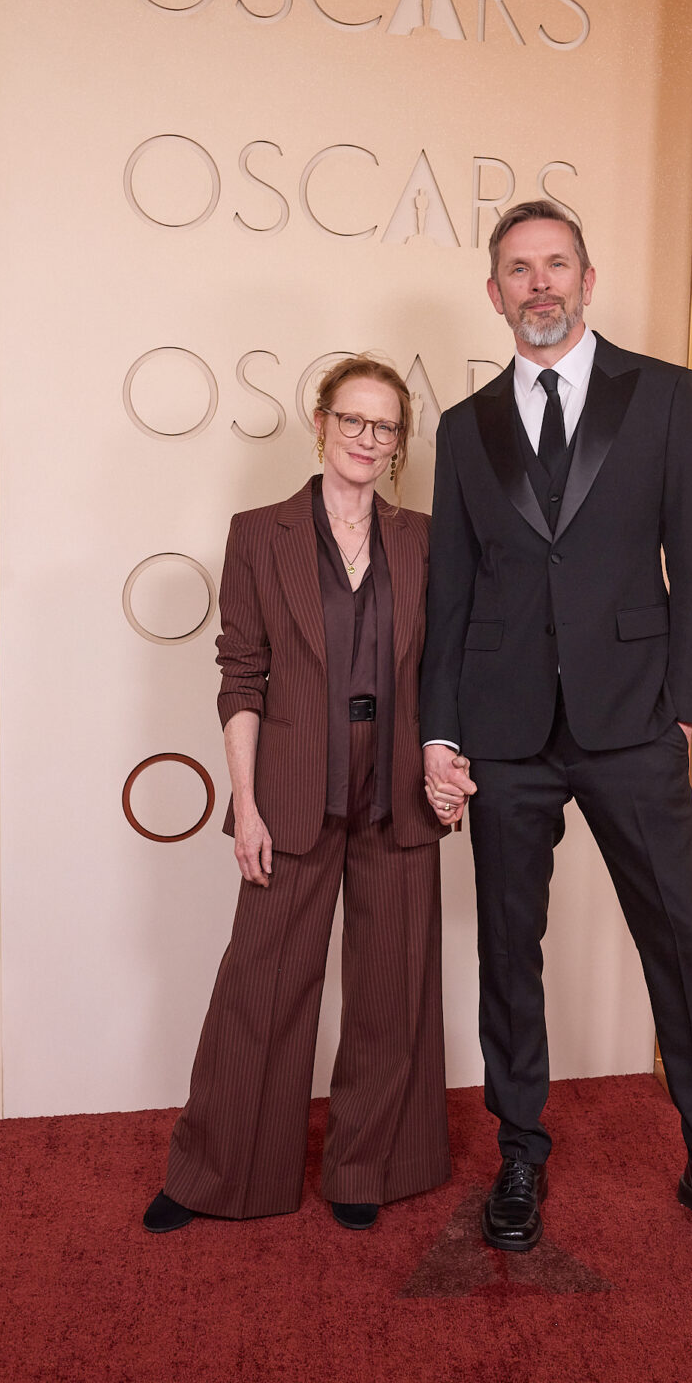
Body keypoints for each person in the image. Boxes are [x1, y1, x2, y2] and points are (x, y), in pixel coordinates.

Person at [420, 201, 692, 1258]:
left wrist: (686, 705)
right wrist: (441, 731)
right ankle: (519, 1154)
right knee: (506, 953)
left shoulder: (663, 394)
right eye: (517, 268)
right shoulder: (463, 427)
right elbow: (449, 595)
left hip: (632, 720)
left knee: (681, 945)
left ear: (587, 278)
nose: (538, 283)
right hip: (503, 731)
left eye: (555, 264)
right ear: (494, 293)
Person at [144, 356, 450, 1235]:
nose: (367, 438)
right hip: (288, 792)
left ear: (399, 443)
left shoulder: (424, 539)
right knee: (261, 988)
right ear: (320, 424)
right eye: (352, 419)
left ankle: (368, 1166)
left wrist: (446, 764)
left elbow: (446, 669)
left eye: (384, 426)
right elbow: (241, 674)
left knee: (391, 992)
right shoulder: (259, 532)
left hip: (396, 793)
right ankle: (217, 1173)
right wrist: (245, 803)